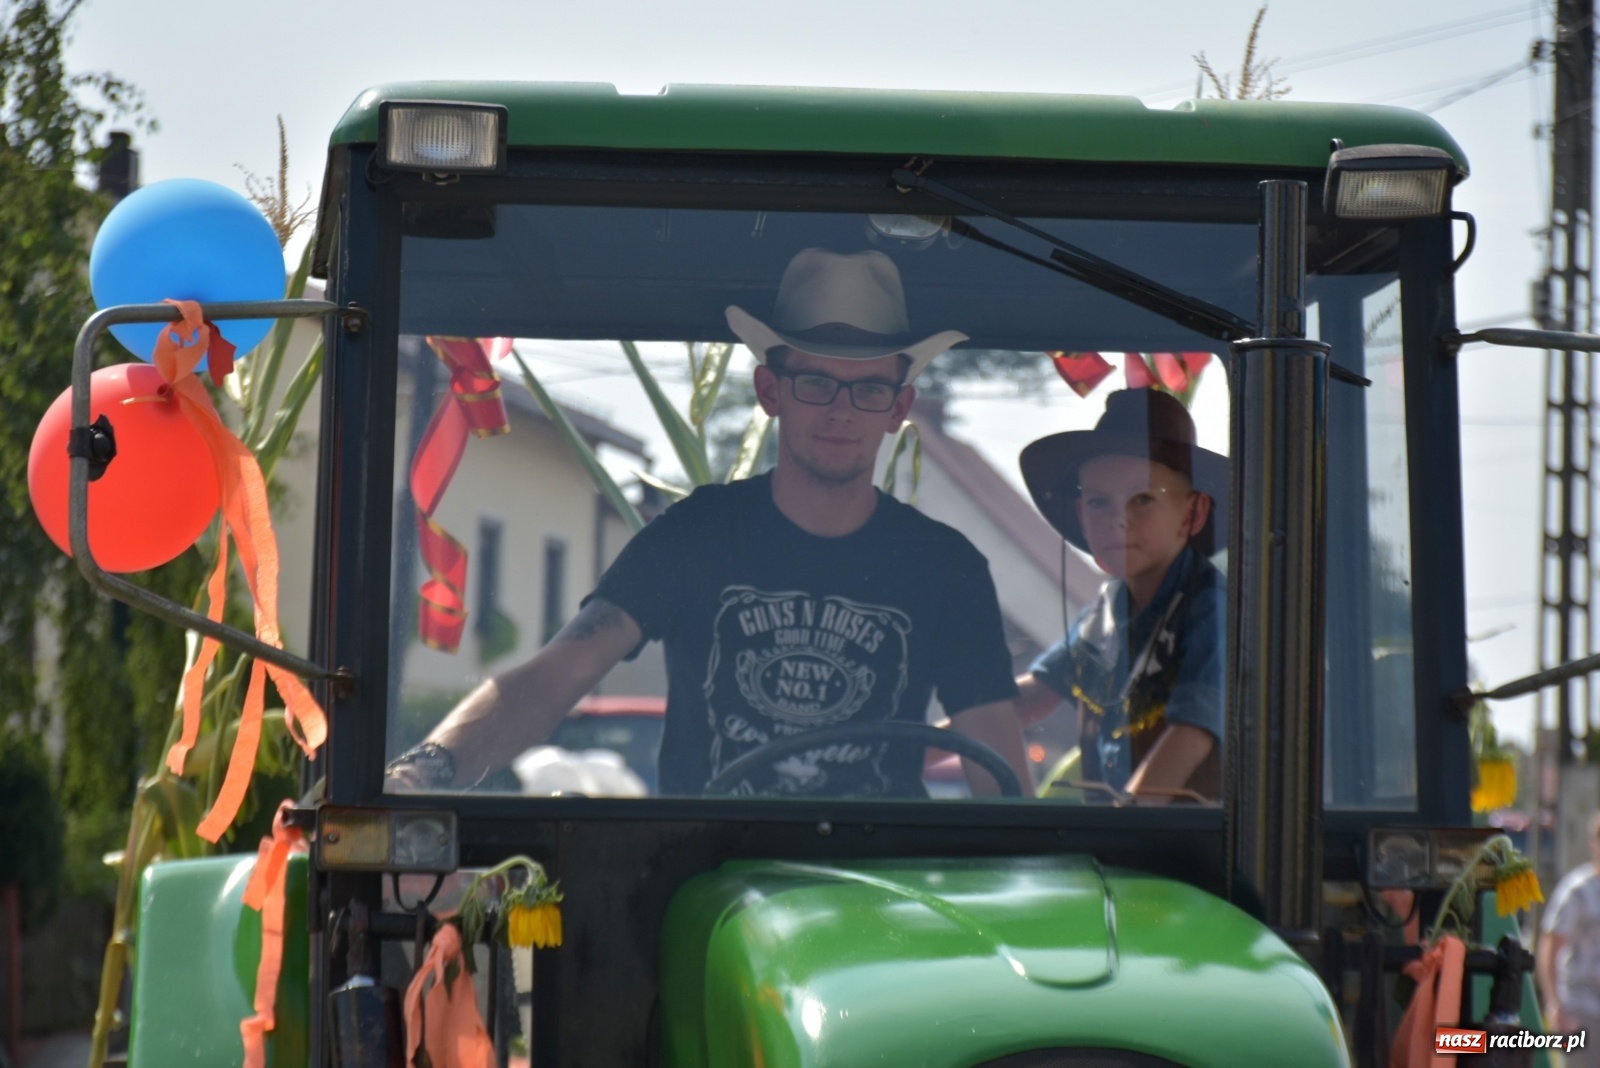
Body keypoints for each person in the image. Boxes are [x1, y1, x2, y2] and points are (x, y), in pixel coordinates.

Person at [387, 248, 1030, 798]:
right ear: (770, 391)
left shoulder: (947, 568)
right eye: (816, 383)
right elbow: (558, 674)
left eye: (867, 390)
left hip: (886, 899)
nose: (841, 411)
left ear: (899, 407)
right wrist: (427, 770)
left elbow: (996, 763)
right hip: (708, 879)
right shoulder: (695, 537)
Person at [1014, 388, 1225, 804]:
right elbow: (1033, 697)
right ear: (1079, 513)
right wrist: (916, 743)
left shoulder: (1213, 610)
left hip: (1189, 851)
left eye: (1142, 500)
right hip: (1115, 838)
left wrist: (1124, 819)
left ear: (1193, 514)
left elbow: (1191, 735)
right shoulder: (1106, 613)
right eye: (1098, 502)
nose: (1117, 521)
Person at [1539, 813, 1600, 1063]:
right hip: (1581, 1006)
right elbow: (1550, 946)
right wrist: (1554, 1004)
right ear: (1594, 843)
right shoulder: (1578, 891)